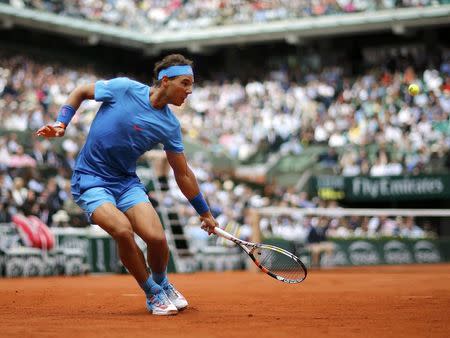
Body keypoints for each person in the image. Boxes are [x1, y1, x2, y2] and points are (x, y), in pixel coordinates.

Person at [36, 54, 219, 316]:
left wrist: (205, 212)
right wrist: (61, 123)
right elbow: (81, 91)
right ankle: (153, 293)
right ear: (165, 81)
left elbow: (183, 174)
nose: (189, 90)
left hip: (126, 182)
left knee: (156, 238)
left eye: (192, 84)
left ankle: (163, 283)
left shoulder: (170, 125)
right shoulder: (124, 88)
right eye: (185, 83)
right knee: (123, 230)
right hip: (90, 180)